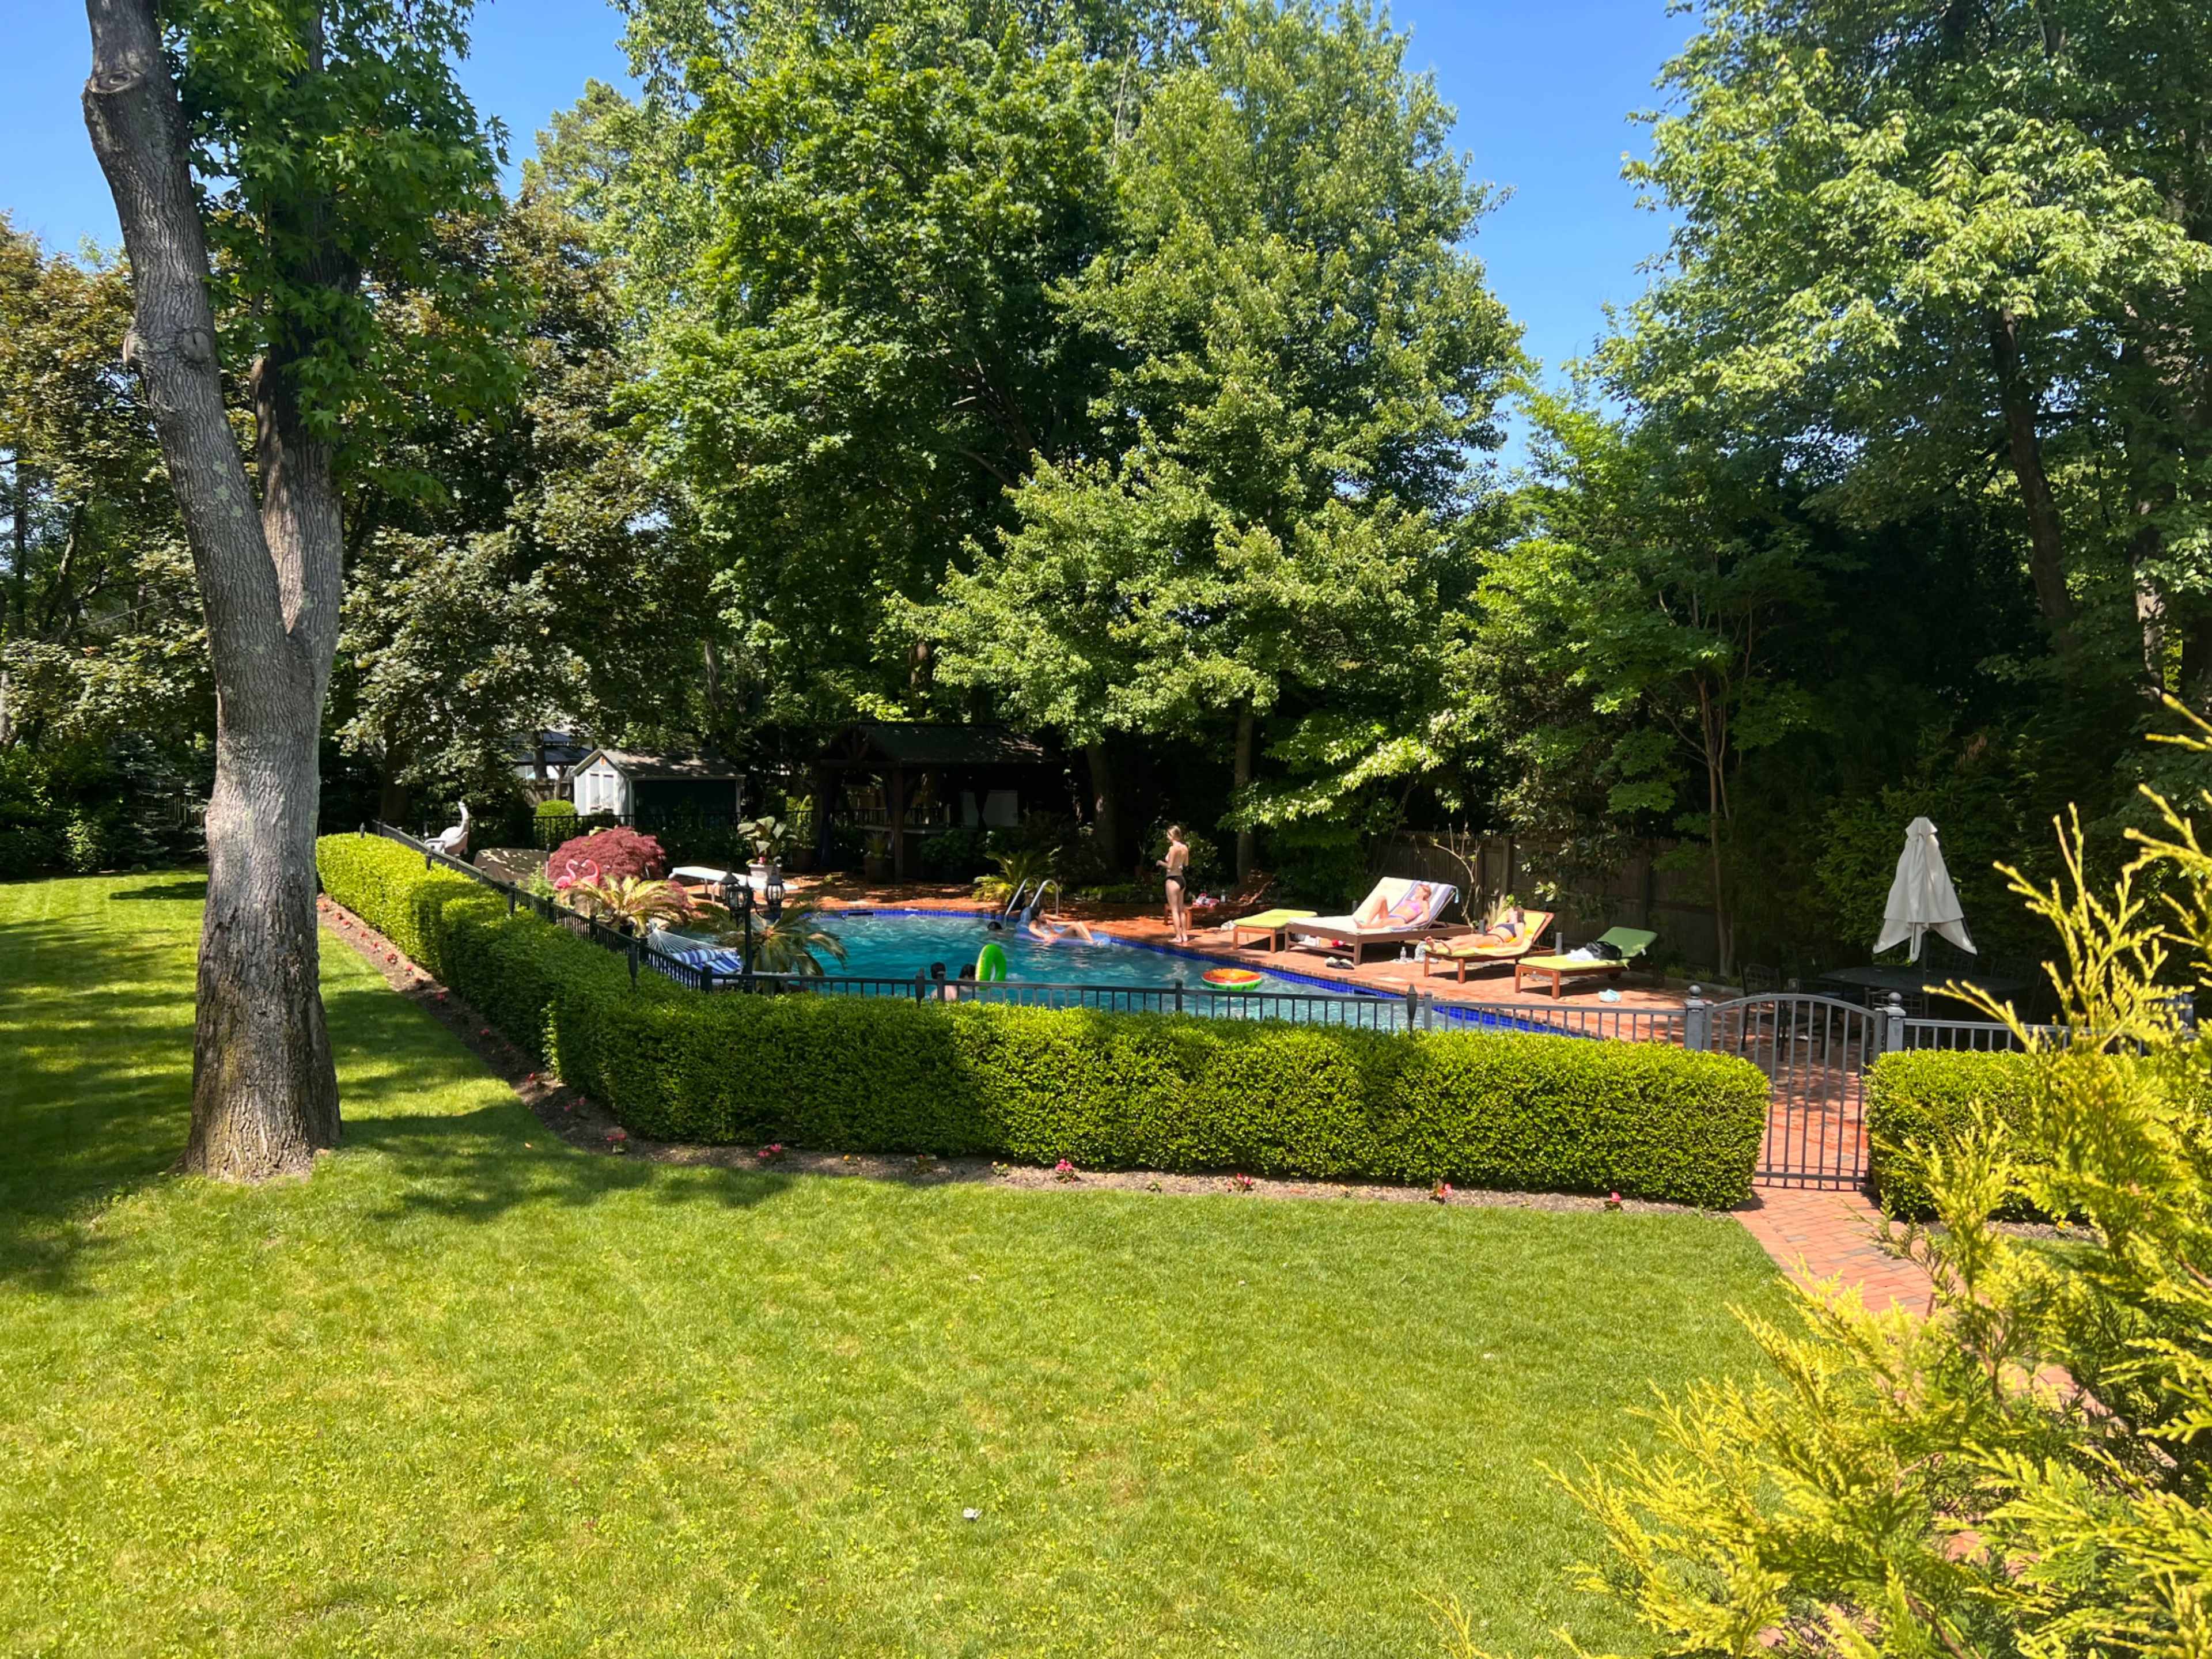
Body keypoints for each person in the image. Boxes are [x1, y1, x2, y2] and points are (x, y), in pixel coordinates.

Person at [1159, 824, 1191, 945]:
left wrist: (1161, 862)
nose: (1167, 837)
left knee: (1174, 910)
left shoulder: (1173, 849)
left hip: (1172, 880)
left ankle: (1178, 937)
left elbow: (1170, 866)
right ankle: (1185, 936)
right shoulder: (1185, 848)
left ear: (1173, 836)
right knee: (1181, 909)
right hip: (1182, 880)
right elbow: (1186, 864)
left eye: (1168, 835)